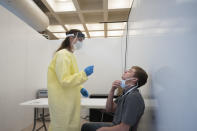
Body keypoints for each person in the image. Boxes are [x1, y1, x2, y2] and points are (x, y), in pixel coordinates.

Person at [47, 29, 94, 131]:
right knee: (62, 127)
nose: (81, 43)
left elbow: (70, 75)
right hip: (62, 101)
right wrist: (84, 74)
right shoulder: (63, 55)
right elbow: (64, 80)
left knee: (70, 126)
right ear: (72, 38)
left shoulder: (69, 55)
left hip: (68, 99)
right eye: (80, 39)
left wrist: (80, 88)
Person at [81, 66, 148, 131]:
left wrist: (102, 130)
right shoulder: (126, 93)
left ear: (134, 79)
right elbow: (109, 109)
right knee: (86, 126)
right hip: (116, 125)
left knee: (90, 127)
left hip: (120, 128)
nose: (125, 71)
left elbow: (124, 129)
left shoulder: (133, 97)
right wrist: (112, 90)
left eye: (129, 71)